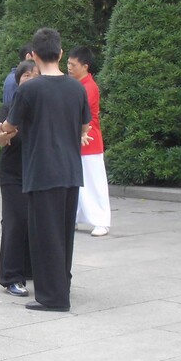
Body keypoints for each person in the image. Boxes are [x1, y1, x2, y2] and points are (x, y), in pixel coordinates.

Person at [0, 28, 91, 312]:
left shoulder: (29, 89)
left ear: (34, 56)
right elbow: (84, 127)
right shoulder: (77, 87)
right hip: (71, 171)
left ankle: (52, 297)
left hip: (42, 171)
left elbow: (11, 127)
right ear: (61, 54)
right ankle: (62, 287)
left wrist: (1, 136)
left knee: (45, 236)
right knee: (63, 234)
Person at [0, 60, 38, 298]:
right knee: (15, 221)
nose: (29, 79)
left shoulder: (43, 109)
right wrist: (2, 136)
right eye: (25, 76)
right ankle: (11, 277)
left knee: (34, 223)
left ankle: (29, 270)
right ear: (18, 81)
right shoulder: (9, 109)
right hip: (13, 174)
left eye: (34, 75)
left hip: (37, 173)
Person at [68, 46, 111, 237]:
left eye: (73, 64)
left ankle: (102, 221)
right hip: (78, 139)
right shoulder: (77, 86)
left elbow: (81, 116)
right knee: (78, 183)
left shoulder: (89, 88)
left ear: (85, 66)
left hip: (89, 141)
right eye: (68, 63)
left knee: (94, 183)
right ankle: (76, 218)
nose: (69, 67)